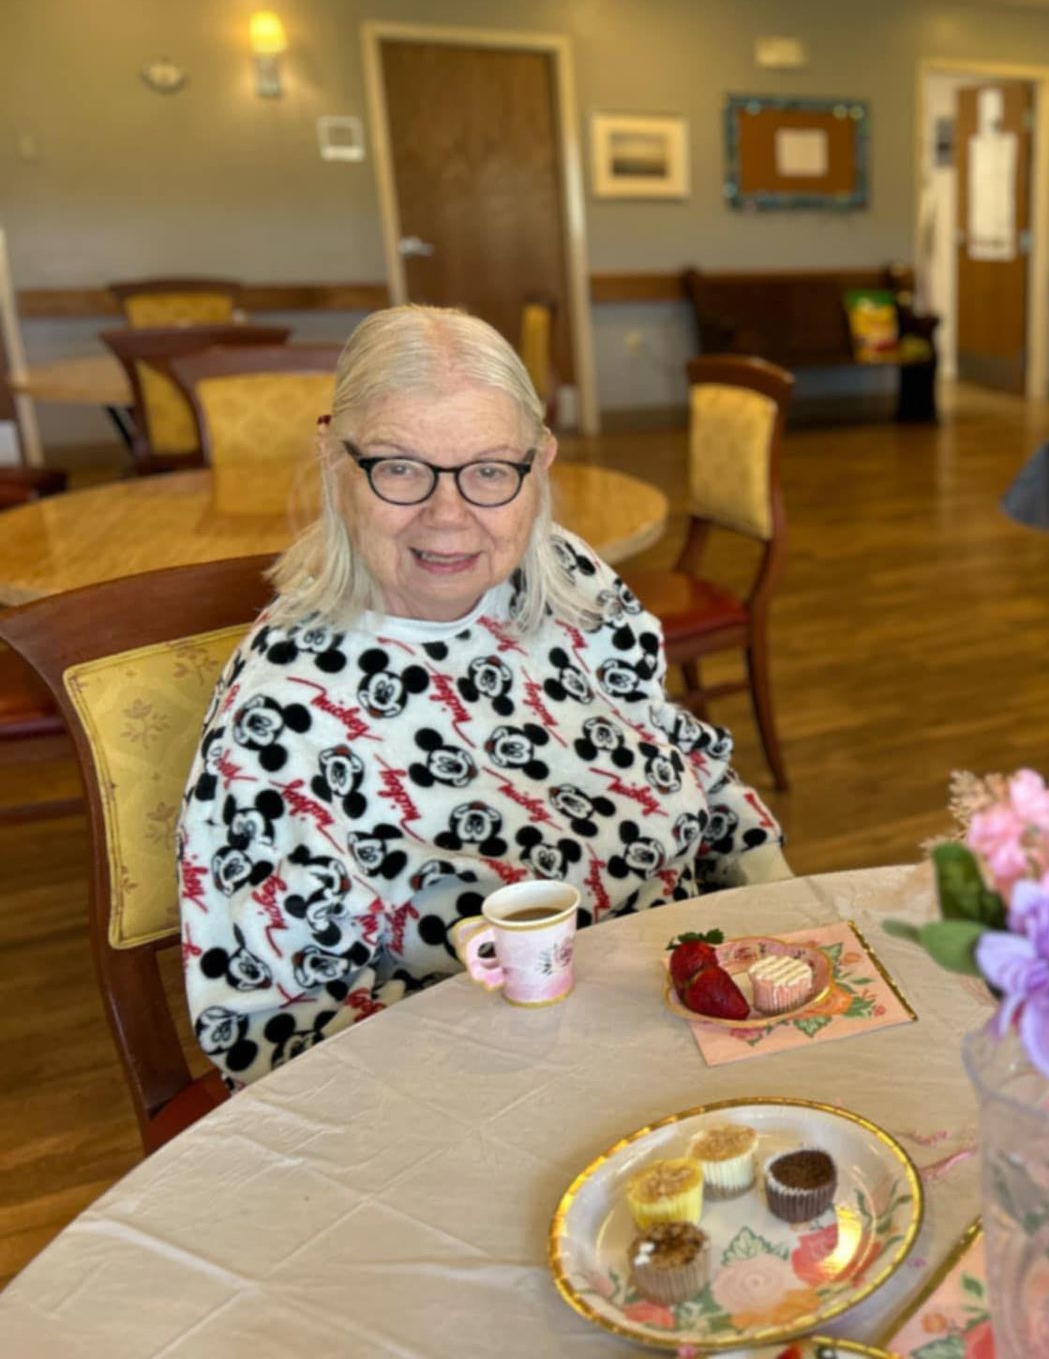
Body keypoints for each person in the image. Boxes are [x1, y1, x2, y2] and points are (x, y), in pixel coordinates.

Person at [179, 306, 787, 1084]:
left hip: (697, 1013)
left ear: (540, 463)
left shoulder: (568, 583)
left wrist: (776, 906)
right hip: (492, 1084)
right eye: (400, 468)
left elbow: (678, 753)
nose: (449, 516)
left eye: (492, 471)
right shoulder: (281, 718)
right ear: (333, 458)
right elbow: (280, 1041)